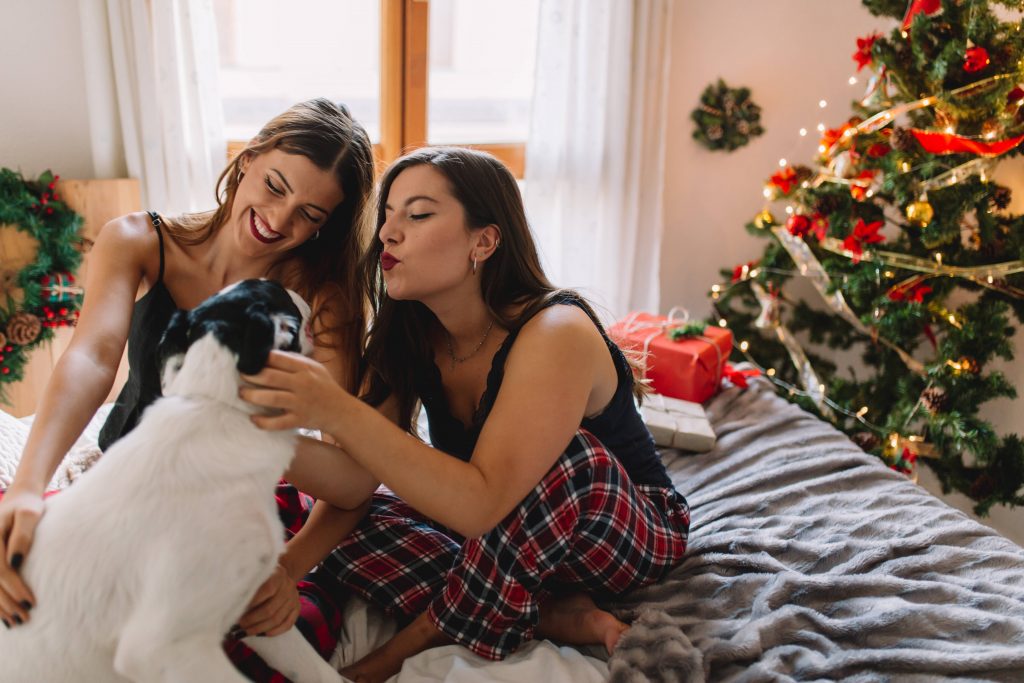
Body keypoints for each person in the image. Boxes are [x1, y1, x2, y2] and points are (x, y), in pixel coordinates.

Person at [240, 146, 691, 682]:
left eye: (418, 214)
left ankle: (410, 645)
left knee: (569, 461)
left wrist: (333, 408)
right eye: (387, 214)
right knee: (360, 516)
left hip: (620, 529)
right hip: (513, 539)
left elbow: (480, 504)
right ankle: (544, 611)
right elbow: (354, 484)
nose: (388, 233)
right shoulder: (410, 334)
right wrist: (284, 554)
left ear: (485, 241)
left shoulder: (556, 331)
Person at [0, 98, 378, 677]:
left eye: (310, 215)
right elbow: (91, 359)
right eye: (274, 186)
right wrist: (27, 487)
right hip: (124, 484)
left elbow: (350, 478)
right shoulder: (138, 240)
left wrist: (287, 568)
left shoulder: (318, 299)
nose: (279, 220)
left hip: (233, 502)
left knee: (210, 644)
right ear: (246, 160)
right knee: (24, 585)